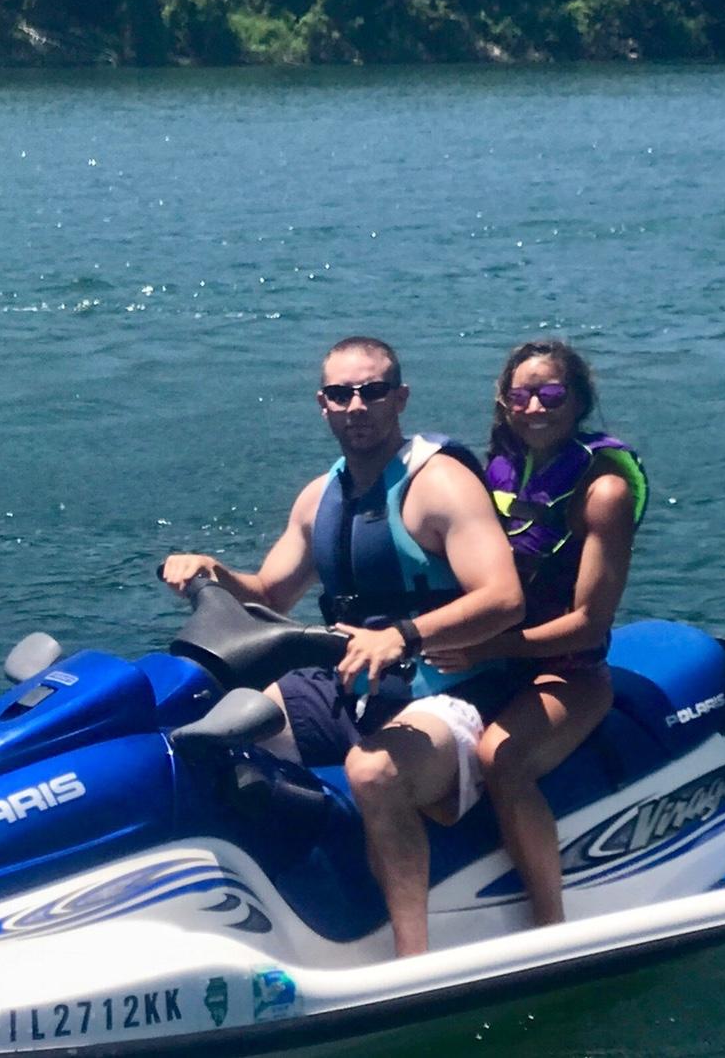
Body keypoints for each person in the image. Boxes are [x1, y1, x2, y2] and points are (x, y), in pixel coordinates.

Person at [161, 336, 523, 958]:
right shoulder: (320, 498)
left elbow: (504, 597)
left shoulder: (440, 484)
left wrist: (403, 635)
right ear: (322, 404)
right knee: (211, 740)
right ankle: (280, 907)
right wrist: (212, 571)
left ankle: (413, 961)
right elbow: (271, 592)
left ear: (399, 398)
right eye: (341, 394)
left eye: (372, 391)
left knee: (373, 772)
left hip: (452, 686)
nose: (357, 406)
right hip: (355, 683)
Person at [430, 339, 646, 928]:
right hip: (491, 661)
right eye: (520, 395)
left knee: (502, 759)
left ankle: (549, 921)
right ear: (504, 402)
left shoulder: (604, 491)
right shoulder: (493, 471)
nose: (534, 408)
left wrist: (487, 646)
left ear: (578, 402)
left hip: (567, 671)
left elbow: (588, 624)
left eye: (551, 394)